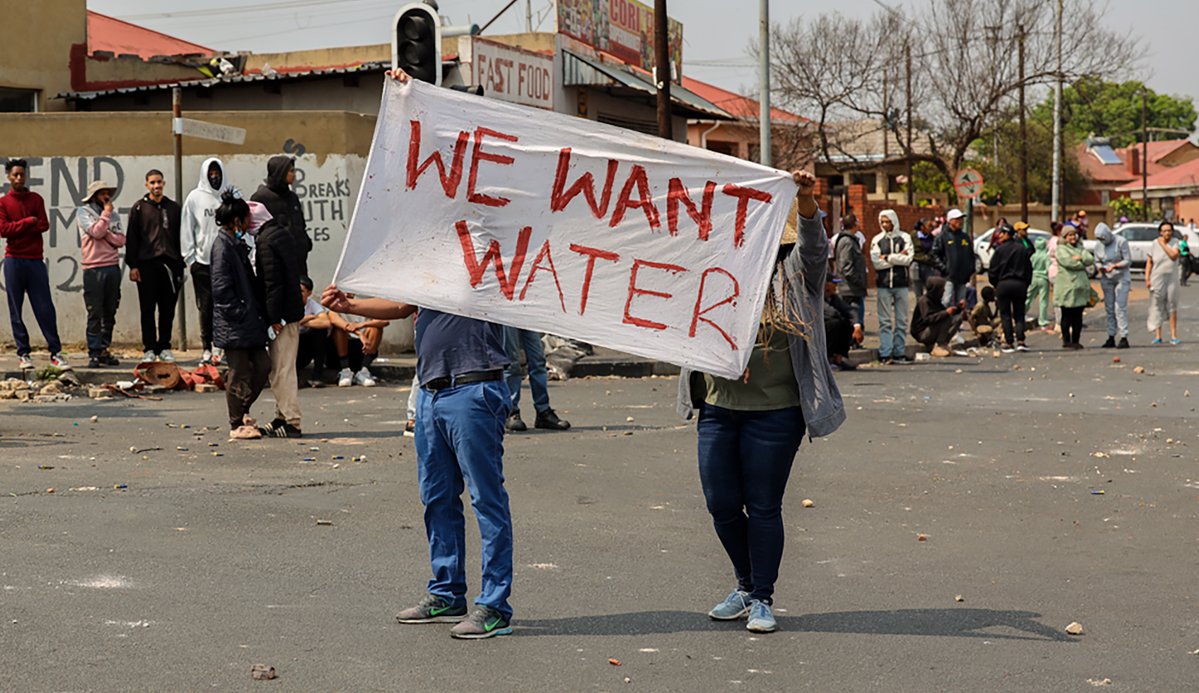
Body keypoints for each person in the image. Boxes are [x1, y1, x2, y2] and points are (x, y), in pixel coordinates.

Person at [677, 170, 844, 635]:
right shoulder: (714, 267)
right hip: (717, 405)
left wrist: (807, 201)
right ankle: (746, 585)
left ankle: (763, 597)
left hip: (776, 411)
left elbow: (815, 246)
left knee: (763, 504)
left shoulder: (797, 271)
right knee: (721, 503)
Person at [210, 192, 271, 440]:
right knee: (237, 372)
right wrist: (240, 313)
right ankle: (236, 424)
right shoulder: (222, 247)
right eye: (246, 219)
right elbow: (221, 289)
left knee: (263, 366)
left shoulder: (235, 245)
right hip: (235, 323)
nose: (249, 224)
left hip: (248, 322)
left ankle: (243, 410)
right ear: (237, 220)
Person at [0, 158, 68, 370]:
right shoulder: (3, 203)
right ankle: (23, 353)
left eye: (22, 174)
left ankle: (56, 352)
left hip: (35, 261)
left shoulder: (36, 199)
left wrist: (21, 226)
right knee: (15, 308)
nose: (19, 178)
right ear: (9, 177)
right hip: (13, 261)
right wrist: (28, 223)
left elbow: (44, 224)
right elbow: (4, 230)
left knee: (45, 307)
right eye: (15, 175)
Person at [253, 201, 305, 438]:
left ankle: (292, 421)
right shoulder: (280, 234)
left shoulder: (266, 241)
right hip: (290, 312)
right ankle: (281, 416)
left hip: (282, 316)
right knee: (282, 367)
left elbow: (272, 283)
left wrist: (274, 317)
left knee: (281, 370)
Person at [126, 169, 184, 363]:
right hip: (146, 265)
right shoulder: (139, 208)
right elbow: (132, 239)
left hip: (170, 265)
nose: (156, 186)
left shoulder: (174, 208)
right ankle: (149, 348)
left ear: (164, 184)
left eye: (159, 182)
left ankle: (164, 346)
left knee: (167, 309)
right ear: (147, 185)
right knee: (147, 309)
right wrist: (133, 265)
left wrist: (181, 264)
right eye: (152, 183)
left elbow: (180, 237)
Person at [182, 157, 235, 365]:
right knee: (206, 306)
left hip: (227, 261)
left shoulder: (230, 194)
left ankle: (223, 346)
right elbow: (187, 228)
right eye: (211, 173)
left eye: (217, 173)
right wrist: (191, 258)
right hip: (203, 263)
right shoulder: (195, 198)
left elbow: (242, 221)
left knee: (227, 304)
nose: (215, 177)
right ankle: (207, 346)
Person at [76, 180, 127, 368]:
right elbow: (95, 232)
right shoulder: (83, 212)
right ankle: (94, 352)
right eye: (102, 193)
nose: (106, 197)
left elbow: (121, 240)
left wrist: (105, 230)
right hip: (93, 268)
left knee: (110, 311)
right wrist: (104, 220)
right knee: (94, 312)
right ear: (94, 196)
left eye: (108, 193)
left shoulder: (114, 215)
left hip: (112, 267)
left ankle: (105, 348)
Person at [250, 155, 312, 277]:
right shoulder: (261, 198)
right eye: (291, 171)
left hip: (298, 261)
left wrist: (305, 243)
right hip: (275, 263)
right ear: (280, 172)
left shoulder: (292, 197)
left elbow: (300, 224)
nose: (294, 174)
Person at [502, 327, 571, 432]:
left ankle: (543, 412)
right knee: (512, 364)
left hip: (527, 313)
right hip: (508, 314)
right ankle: (511, 412)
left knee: (538, 362)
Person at [869, 209, 913, 364]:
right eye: (882, 222)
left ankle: (899, 352)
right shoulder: (877, 240)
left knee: (901, 320)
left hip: (901, 283)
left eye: (887, 221)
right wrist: (897, 258)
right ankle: (885, 352)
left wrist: (888, 257)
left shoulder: (905, 237)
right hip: (883, 284)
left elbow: (908, 259)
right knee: (885, 321)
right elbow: (876, 262)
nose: (885, 224)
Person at [987, 224, 1033, 352]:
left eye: (1001, 233)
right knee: (1019, 313)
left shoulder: (999, 250)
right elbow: (1029, 269)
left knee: (1005, 314)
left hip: (1003, 284)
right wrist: (1026, 283)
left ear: (1007, 234)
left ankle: (1009, 342)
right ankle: (1021, 340)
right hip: (1020, 284)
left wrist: (996, 284)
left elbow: (992, 270)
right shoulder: (1022, 249)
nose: (999, 236)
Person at [1053, 226, 1094, 350]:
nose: (1072, 237)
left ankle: (1076, 341)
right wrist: (1081, 262)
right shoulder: (1060, 249)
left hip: (1080, 288)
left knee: (1078, 316)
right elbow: (1069, 263)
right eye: (1069, 235)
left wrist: (1080, 258)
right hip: (1067, 287)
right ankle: (1066, 341)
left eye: (1074, 234)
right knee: (1066, 315)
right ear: (1065, 237)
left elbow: (1090, 259)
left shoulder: (1080, 248)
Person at [1094, 223, 1131, 349]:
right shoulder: (1098, 246)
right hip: (1107, 278)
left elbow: (1127, 260)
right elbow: (1097, 261)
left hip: (1121, 277)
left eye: (1103, 238)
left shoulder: (1121, 241)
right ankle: (1111, 336)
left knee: (1120, 307)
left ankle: (1124, 336)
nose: (1102, 241)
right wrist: (1100, 268)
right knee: (1109, 308)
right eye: (1099, 239)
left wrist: (1115, 266)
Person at [328, 306, 386, 387]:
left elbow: (384, 321)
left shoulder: (364, 305)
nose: (347, 294)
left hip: (362, 349)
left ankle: (364, 371)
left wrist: (363, 324)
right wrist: (360, 334)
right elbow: (334, 320)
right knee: (339, 329)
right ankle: (345, 370)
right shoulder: (334, 306)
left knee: (376, 328)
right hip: (340, 351)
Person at [1145, 220, 1182, 345]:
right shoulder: (1154, 244)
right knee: (1157, 305)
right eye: (1164, 231)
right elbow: (1149, 261)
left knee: (1172, 305)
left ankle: (1173, 335)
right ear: (1160, 232)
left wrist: (1163, 244)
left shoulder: (1175, 242)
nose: (1167, 233)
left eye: (1169, 231)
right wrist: (1147, 278)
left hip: (1172, 278)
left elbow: (1173, 255)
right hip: (1157, 277)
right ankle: (1158, 335)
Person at [932, 208, 975, 307]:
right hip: (949, 277)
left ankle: (957, 322)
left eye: (961, 219)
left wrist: (970, 270)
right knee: (946, 301)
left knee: (961, 304)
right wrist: (945, 268)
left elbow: (971, 255)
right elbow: (934, 255)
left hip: (963, 277)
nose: (960, 222)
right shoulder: (942, 237)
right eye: (957, 219)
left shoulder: (965, 237)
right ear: (950, 221)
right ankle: (944, 321)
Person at [912, 277, 965, 357]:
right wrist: (946, 313)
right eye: (942, 289)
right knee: (946, 318)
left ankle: (944, 343)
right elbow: (927, 319)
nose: (943, 291)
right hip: (922, 332)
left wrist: (958, 308)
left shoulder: (935, 300)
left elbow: (944, 311)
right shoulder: (924, 301)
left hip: (931, 330)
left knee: (957, 319)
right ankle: (939, 345)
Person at [833, 212, 867, 333]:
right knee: (852, 316)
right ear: (854, 224)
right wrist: (858, 281)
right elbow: (846, 266)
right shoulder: (847, 241)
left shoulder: (851, 240)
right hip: (849, 288)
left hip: (853, 287)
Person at [296, 277, 331, 388]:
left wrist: (303, 322)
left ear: (309, 293)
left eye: (301, 291)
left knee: (319, 332)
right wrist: (309, 317)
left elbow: (326, 322)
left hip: (304, 348)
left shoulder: (312, 304)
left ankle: (317, 376)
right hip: (291, 348)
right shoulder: (288, 304)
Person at [824, 278, 862, 370]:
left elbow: (850, 310)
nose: (836, 287)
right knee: (835, 324)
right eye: (833, 284)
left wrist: (857, 326)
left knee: (847, 324)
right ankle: (827, 359)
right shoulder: (817, 297)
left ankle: (839, 358)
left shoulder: (834, 297)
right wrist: (842, 316)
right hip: (821, 328)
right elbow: (831, 312)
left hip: (834, 322)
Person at [1026, 236, 1053, 333]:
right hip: (1043, 279)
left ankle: (1022, 313)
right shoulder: (1046, 257)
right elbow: (1048, 268)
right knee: (1043, 300)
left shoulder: (1033, 256)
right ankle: (1043, 321)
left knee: (1029, 297)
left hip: (1033, 277)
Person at [910, 218, 940, 299]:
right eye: (929, 226)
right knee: (918, 291)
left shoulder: (932, 237)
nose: (931, 228)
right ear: (922, 227)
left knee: (930, 288)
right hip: (916, 264)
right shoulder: (913, 236)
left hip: (928, 265)